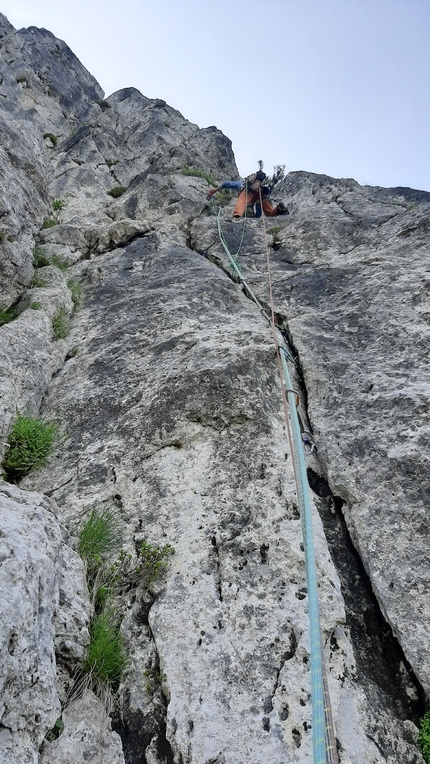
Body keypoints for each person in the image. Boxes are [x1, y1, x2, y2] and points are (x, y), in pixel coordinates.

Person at [207, 171, 288, 219]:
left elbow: (227, 184)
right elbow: (258, 213)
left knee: (242, 201)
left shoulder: (241, 184)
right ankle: (279, 210)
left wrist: (214, 191)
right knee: (269, 213)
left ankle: (237, 216)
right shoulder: (261, 191)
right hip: (261, 196)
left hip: (251, 192)